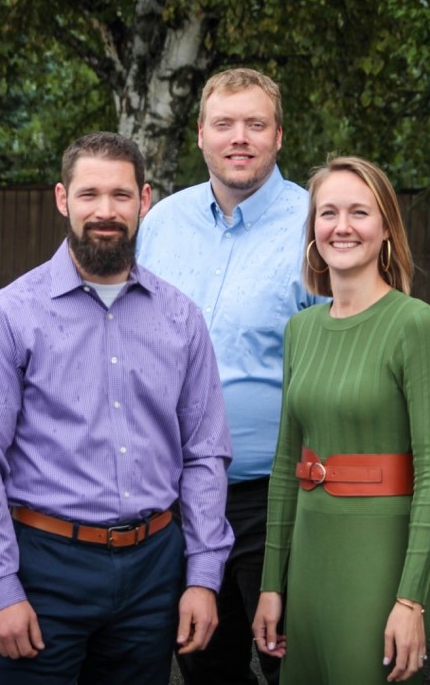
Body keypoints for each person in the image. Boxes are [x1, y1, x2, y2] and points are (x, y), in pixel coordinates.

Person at [0, 131, 235, 685]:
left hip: (154, 571)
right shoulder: (10, 316)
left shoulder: (181, 319)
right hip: (45, 568)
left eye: (120, 195)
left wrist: (202, 576)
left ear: (144, 200)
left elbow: (205, 453)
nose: (105, 211)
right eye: (89, 195)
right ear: (63, 199)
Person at [137, 67, 323, 685]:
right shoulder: (161, 224)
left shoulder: (318, 226)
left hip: (279, 497)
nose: (238, 137)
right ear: (200, 134)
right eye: (224, 124)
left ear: (278, 135)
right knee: (204, 666)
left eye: (255, 124)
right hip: (177, 500)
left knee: (290, 663)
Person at [252, 156, 430, 684]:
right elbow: (284, 465)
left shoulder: (417, 325)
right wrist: (272, 585)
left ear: (386, 227)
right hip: (310, 556)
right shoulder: (300, 329)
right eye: (328, 213)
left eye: (359, 212)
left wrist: (411, 599)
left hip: (379, 559)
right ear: (312, 230)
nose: (341, 226)